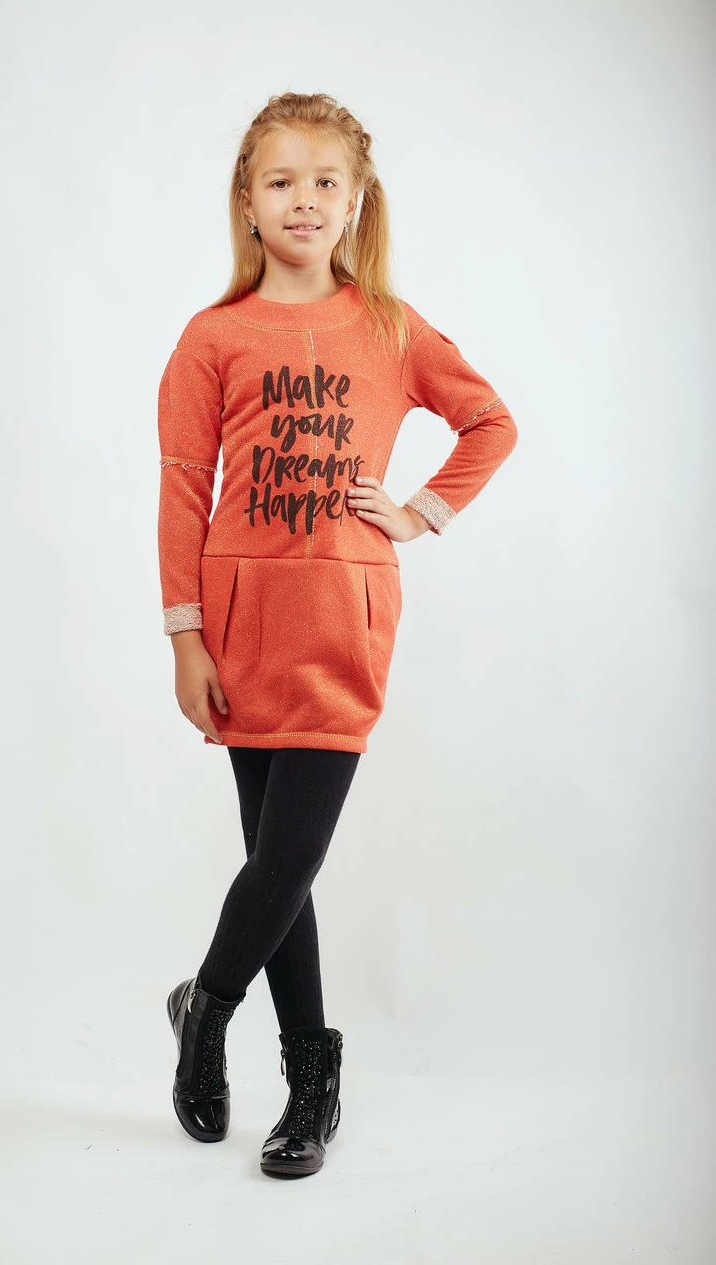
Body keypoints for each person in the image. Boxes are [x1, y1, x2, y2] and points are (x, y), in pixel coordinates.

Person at [158, 91, 518, 1179]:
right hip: (241, 622)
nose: (304, 200)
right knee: (280, 871)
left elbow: (489, 420)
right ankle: (311, 1083)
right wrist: (184, 636)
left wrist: (416, 512)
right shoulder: (213, 337)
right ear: (247, 200)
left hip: (343, 620)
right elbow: (183, 488)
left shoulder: (389, 327)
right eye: (281, 181)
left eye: (325, 181)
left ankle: (204, 1008)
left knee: (288, 855)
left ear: (356, 199)